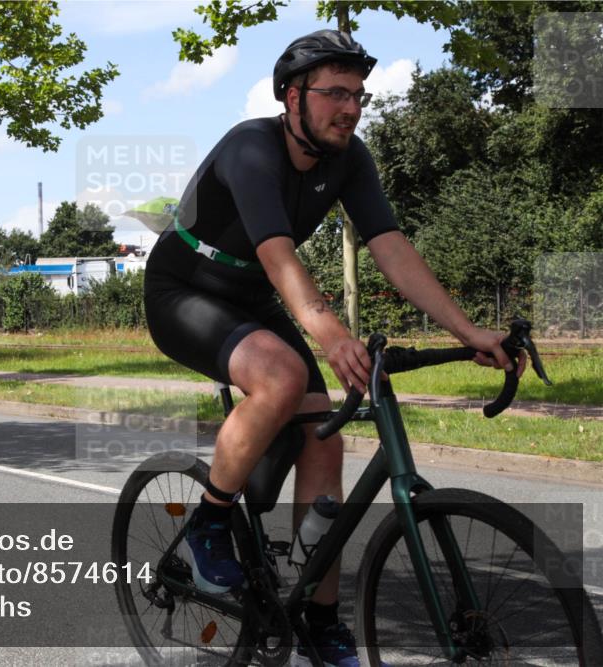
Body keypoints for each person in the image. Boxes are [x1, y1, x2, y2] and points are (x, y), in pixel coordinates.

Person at [143, 29, 522, 667]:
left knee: (325, 432)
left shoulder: (351, 158)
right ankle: (209, 522)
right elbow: (277, 253)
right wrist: (333, 333)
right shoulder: (250, 148)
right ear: (292, 97)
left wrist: (470, 331)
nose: (350, 107)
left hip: (255, 298)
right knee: (283, 378)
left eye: (359, 95)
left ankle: (320, 618)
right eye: (335, 93)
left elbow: (392, 249)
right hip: (185, 290)